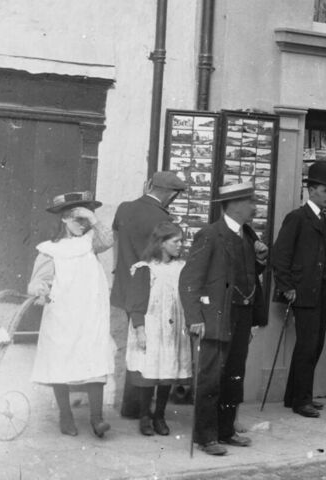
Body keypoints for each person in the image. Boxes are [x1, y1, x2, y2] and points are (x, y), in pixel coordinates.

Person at [179, 182, 270, 456]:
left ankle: (226, 431)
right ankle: (205, 437)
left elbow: (247, 275)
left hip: (241, 317)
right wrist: (194, 317)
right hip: (215, 318)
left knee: (234, 376)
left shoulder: (247, 236)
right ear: (233, 204)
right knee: (210, 378)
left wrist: (261, 261)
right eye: (250, 201)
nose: (255, 207)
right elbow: (189, 280)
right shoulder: (210, 234)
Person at [28, 191, 116, 437]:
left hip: (90, 314)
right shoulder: (50, 250)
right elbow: (38, 281)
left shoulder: (90, 243)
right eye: (77, 220)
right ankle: (65, 416)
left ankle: (97, 419)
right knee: (61, 362)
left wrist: (93, 220)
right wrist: (40, 291)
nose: (82, 225)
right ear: (64, 219)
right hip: (62, 314)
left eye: (85, 220)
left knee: (94, 359)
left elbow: (108, 240)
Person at [272, 161, 326, 418]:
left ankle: (294, 396)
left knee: (313, 346)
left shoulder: (323, 219)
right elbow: (280, 255)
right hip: (304, 293)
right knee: (307, 346)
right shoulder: (298, 217)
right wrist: (287, 287)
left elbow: (325, 251)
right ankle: (301, 400)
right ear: (312, 190)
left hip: (321, 293)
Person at [111, 170, 188, 419]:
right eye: (174, 195)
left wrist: (119, 269)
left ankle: (127, 407)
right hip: (150, 294)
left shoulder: (124, 208)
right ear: (168, 194)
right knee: (148, 351)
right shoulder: (161, 219)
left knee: (128, 349)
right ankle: (138, 410)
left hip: (122, 287)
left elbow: (115, 239)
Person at [125, 221, 191, 437]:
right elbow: (136, 303)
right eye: (176, 241)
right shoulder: (146, 268)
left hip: (173, 328)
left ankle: (159, 415)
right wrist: (140, 330)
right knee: (150, 372)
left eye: (181, 241)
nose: (180, 245)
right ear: (162, 244)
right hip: (152, 326)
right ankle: (145, 416)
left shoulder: (181, 267)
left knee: (167, 371)